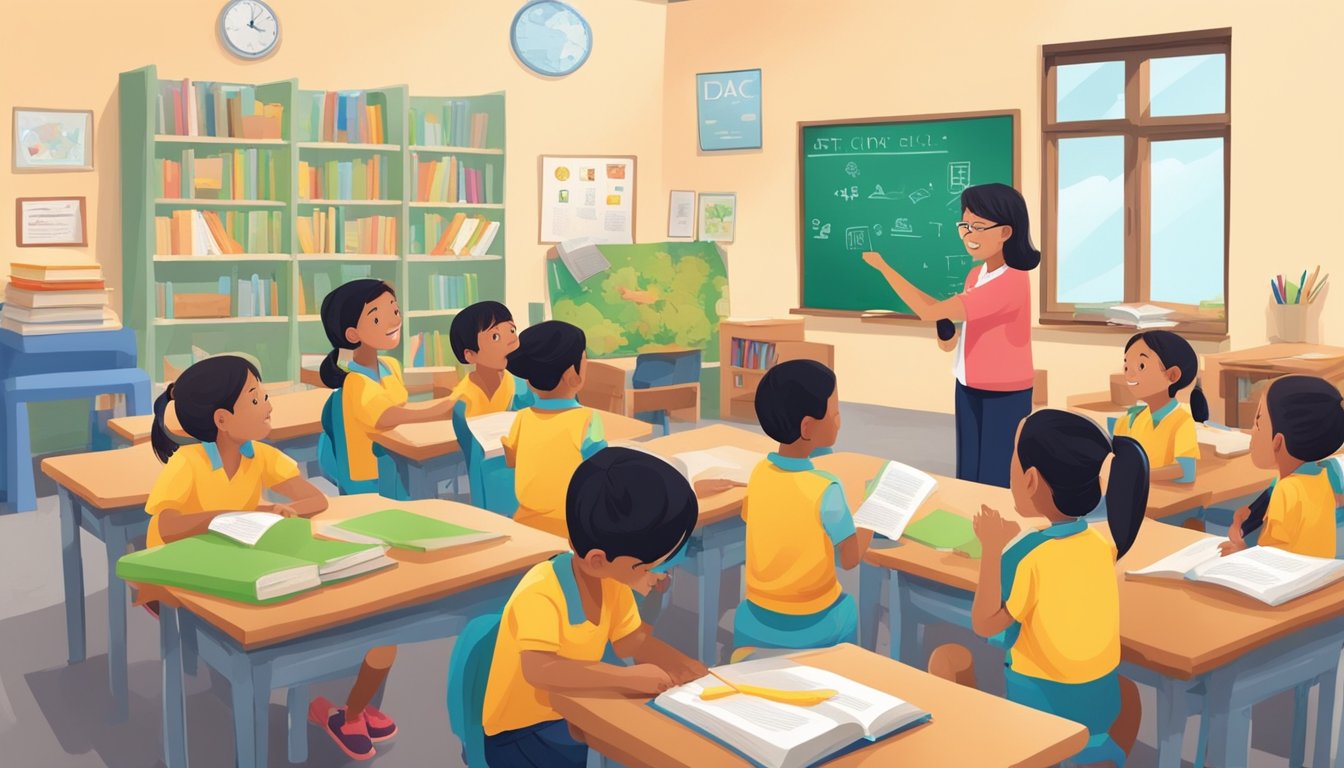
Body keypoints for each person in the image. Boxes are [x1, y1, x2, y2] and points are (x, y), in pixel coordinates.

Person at [929, 409, 1146, 764]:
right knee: (1127, 691)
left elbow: (985, 623)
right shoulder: (1102, 546)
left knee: (949, 660)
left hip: (1038, 716)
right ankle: (1100, 753)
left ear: (1029, 479)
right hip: (1099, 711)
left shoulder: (1026, 555)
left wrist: (992, 549)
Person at [481, 448, 709, 767]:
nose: (653, 575)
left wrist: (679, 663)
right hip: (521, 734)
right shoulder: (541, 590)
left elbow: (630, 640)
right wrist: (627, 678)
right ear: (599, 560)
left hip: (570, 712)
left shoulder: (611, 582)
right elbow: (540, 669)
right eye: (644, 567)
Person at [861, 182, 1039, 487]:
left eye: (978, 226)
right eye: (965, 225)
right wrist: (949, 336)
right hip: (969, 381)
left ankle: (994, 532)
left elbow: (929, 310)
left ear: (1005, 232)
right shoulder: (977, 275)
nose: (968, 235)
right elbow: (952, 314)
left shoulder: (1011, 281)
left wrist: (884, 269)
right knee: (968, 470)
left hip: (1003, 392)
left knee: (995, 476)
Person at [734, 360, 873, 652]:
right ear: (808, 427)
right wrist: (871, 521)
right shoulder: (826, 487)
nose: (839, 421)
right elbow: (849, 559)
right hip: (814, 619)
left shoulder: (759, 472)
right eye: (835, 414)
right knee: (848, 606)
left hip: (755, 612)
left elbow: (762, 518)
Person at [317, 279, 454, 492]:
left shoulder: (390, 365)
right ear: (352, 334)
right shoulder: (355, 380)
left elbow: (396, 398)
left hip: (396, 458)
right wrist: (439, 409)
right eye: (378, 318)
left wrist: (435, 389)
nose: (394, 321)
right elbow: (386, 415)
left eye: (395, 310)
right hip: (372, 476)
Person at [501, 320, 607, 537]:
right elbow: (600, 470)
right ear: (573, 375)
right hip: (573, 526)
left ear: (529, 382)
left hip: (525, 523)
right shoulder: (588, 419)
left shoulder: (521, 417)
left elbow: (511, 459)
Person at [1221, 375, 1344, 558]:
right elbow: (1265, 501)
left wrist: (1241, 553)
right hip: (1316, 573)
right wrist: (1249, 512)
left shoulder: (1287, 490)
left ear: (1278, 442)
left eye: (1258, 421)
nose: (1252, 430)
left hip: (1290, 577)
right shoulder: (1323, 475)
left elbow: (1274, 557)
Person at [1112, 330, 1208, 483]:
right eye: (1126, 367)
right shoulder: (1129, 419)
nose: (1129, 375)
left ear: (1172, 375)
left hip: (1162, 497)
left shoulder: (1181, 422)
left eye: (1141, 366)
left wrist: (1137, 476)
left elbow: (1186, 471)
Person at [447, 300, 535, 416]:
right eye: (495, 337)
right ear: (470, 355)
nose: (512, 341)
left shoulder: (522, 387)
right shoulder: (465, 395)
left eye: (512, 330)